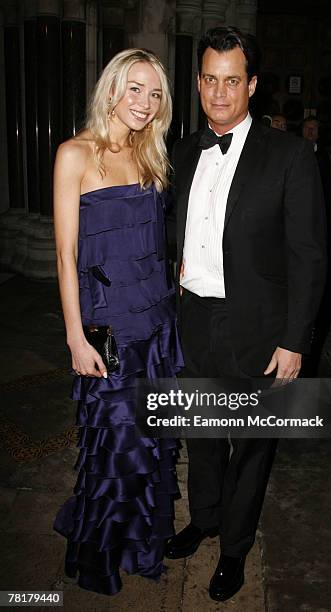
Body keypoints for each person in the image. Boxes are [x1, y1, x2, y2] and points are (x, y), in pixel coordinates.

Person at [165, 27, 326, 601]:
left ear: (252, 85)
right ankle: (205, 518)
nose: (218, 93)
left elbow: (309, 256)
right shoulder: (183, 150)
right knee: (203, 435)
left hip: (259, 327)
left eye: (232, 81)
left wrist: (295, 340)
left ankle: (234, 548)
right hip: (195, 320)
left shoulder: (290, 155)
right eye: (209, 79)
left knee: (251, 444)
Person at [53, 49, 184, 595]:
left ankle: (138, 543)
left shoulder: (151, 154)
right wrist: (75, 337)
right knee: (110, 446)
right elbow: (65, 255)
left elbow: (152, 240)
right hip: (107, 330)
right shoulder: (75, 154)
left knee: (148, 447)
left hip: (157, 326)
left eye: (155, 94)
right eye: (135, 89)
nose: (145, 103)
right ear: (111, 89)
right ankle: (96, 554)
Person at [301, 115, 331, 211]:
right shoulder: (293, 151)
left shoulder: (324, 155)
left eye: (314, 128)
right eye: (307, 128)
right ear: (302, 130)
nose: (310, 131)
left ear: (318, 132)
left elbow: (326, 182)